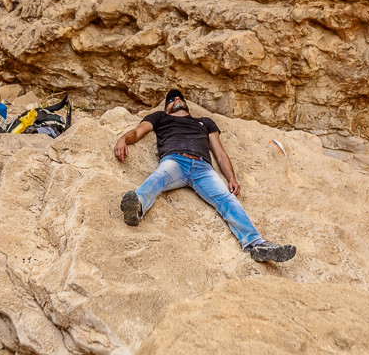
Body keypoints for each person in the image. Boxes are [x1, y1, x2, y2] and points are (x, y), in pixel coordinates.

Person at [114, 88, 296, 263]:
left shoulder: (205, 122)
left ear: (186, 104)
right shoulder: (160, 117)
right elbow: (138, 131)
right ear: (166, 108)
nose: (176, 99)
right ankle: (136, 208)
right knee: (159, 176)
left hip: (203, 168)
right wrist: (123, 139)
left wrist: (231, 178)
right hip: (175, 160)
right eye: (171, 99)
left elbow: (220, 153)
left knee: (227, 199)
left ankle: (257, 245)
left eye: (179, 98)